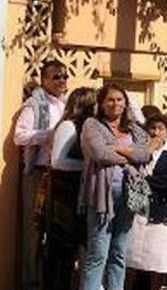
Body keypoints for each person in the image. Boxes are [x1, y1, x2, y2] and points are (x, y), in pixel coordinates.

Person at [78, 83, 154, 290]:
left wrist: (119, 149)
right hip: (101, 195)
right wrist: (130, 156)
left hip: (129, 195)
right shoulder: (92, 125)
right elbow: (100, 153)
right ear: (102, 104)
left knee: (119, 251)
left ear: (126, 103)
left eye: (120, 99)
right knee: (98, 253)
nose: (115, 104)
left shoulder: (134, 129)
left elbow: (146, 154)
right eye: (110, 99)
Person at [15, 59, 69, 289]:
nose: (61, 80)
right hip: (38, 173)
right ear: (44, 80)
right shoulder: (34, 105)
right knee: (34, 229)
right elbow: (20, 136)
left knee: (58, 230)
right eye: (56, 76)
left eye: (64, 76)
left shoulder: (67, 105)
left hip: (62, 174)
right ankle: (30, 281)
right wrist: (47, 135)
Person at [126, 112, 167, 290]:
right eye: (152, 128)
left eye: (160, 128)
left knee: (158, 263)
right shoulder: (139, 151)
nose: (155, 132)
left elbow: (165, 181)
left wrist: (139, 178)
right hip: (138, 211)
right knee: (131, 259)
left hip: (162, 214)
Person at [44, 86, 96, 290]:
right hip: (64, 196)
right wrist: (89, 165)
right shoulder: (69, 125)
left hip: (79, 195)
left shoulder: (89, 127)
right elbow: (57, 161)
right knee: (61, 251)